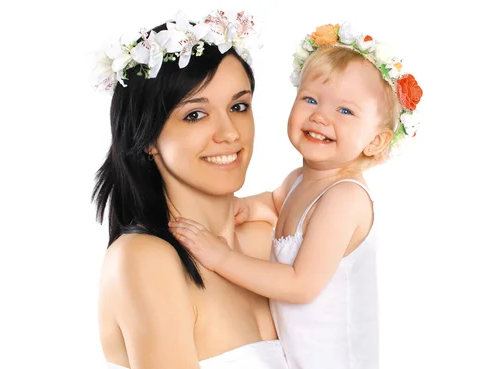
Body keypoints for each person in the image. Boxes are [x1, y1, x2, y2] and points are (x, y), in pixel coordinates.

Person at [169, 22, 424, 369]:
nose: (320, 116)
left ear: (376, 141)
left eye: (345, 111)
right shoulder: (299, 181)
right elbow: (274, 203)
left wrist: (220, 257)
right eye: (311, 99)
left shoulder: (344, 199)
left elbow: (301, 284)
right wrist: (240, 208)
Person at [92, 10, 288, 369]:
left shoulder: (267, 240)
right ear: (148, 137)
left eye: (238, 106)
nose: (230, 133)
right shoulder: (144, 259)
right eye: (195, 115)